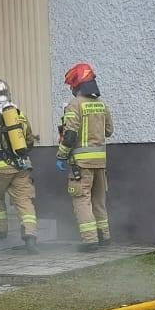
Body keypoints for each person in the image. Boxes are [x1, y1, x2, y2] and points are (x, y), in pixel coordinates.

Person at [55, 62, 114, 252]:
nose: (72, 89)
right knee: (98, 201)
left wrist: (61, 156)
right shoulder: (102, 105)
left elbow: (70, 134)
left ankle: (90, 240)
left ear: (77, 85)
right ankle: (104, 236)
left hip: (82, 164)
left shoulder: (75, 105)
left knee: (82, 200)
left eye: (72, 85)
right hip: (100, 162)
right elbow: (109, 131)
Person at [0, 78, 38, 253]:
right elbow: (29, 141)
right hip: (22, 166)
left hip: (0, 167)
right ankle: (30, 236)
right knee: (23, 200)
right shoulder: (19, 113)